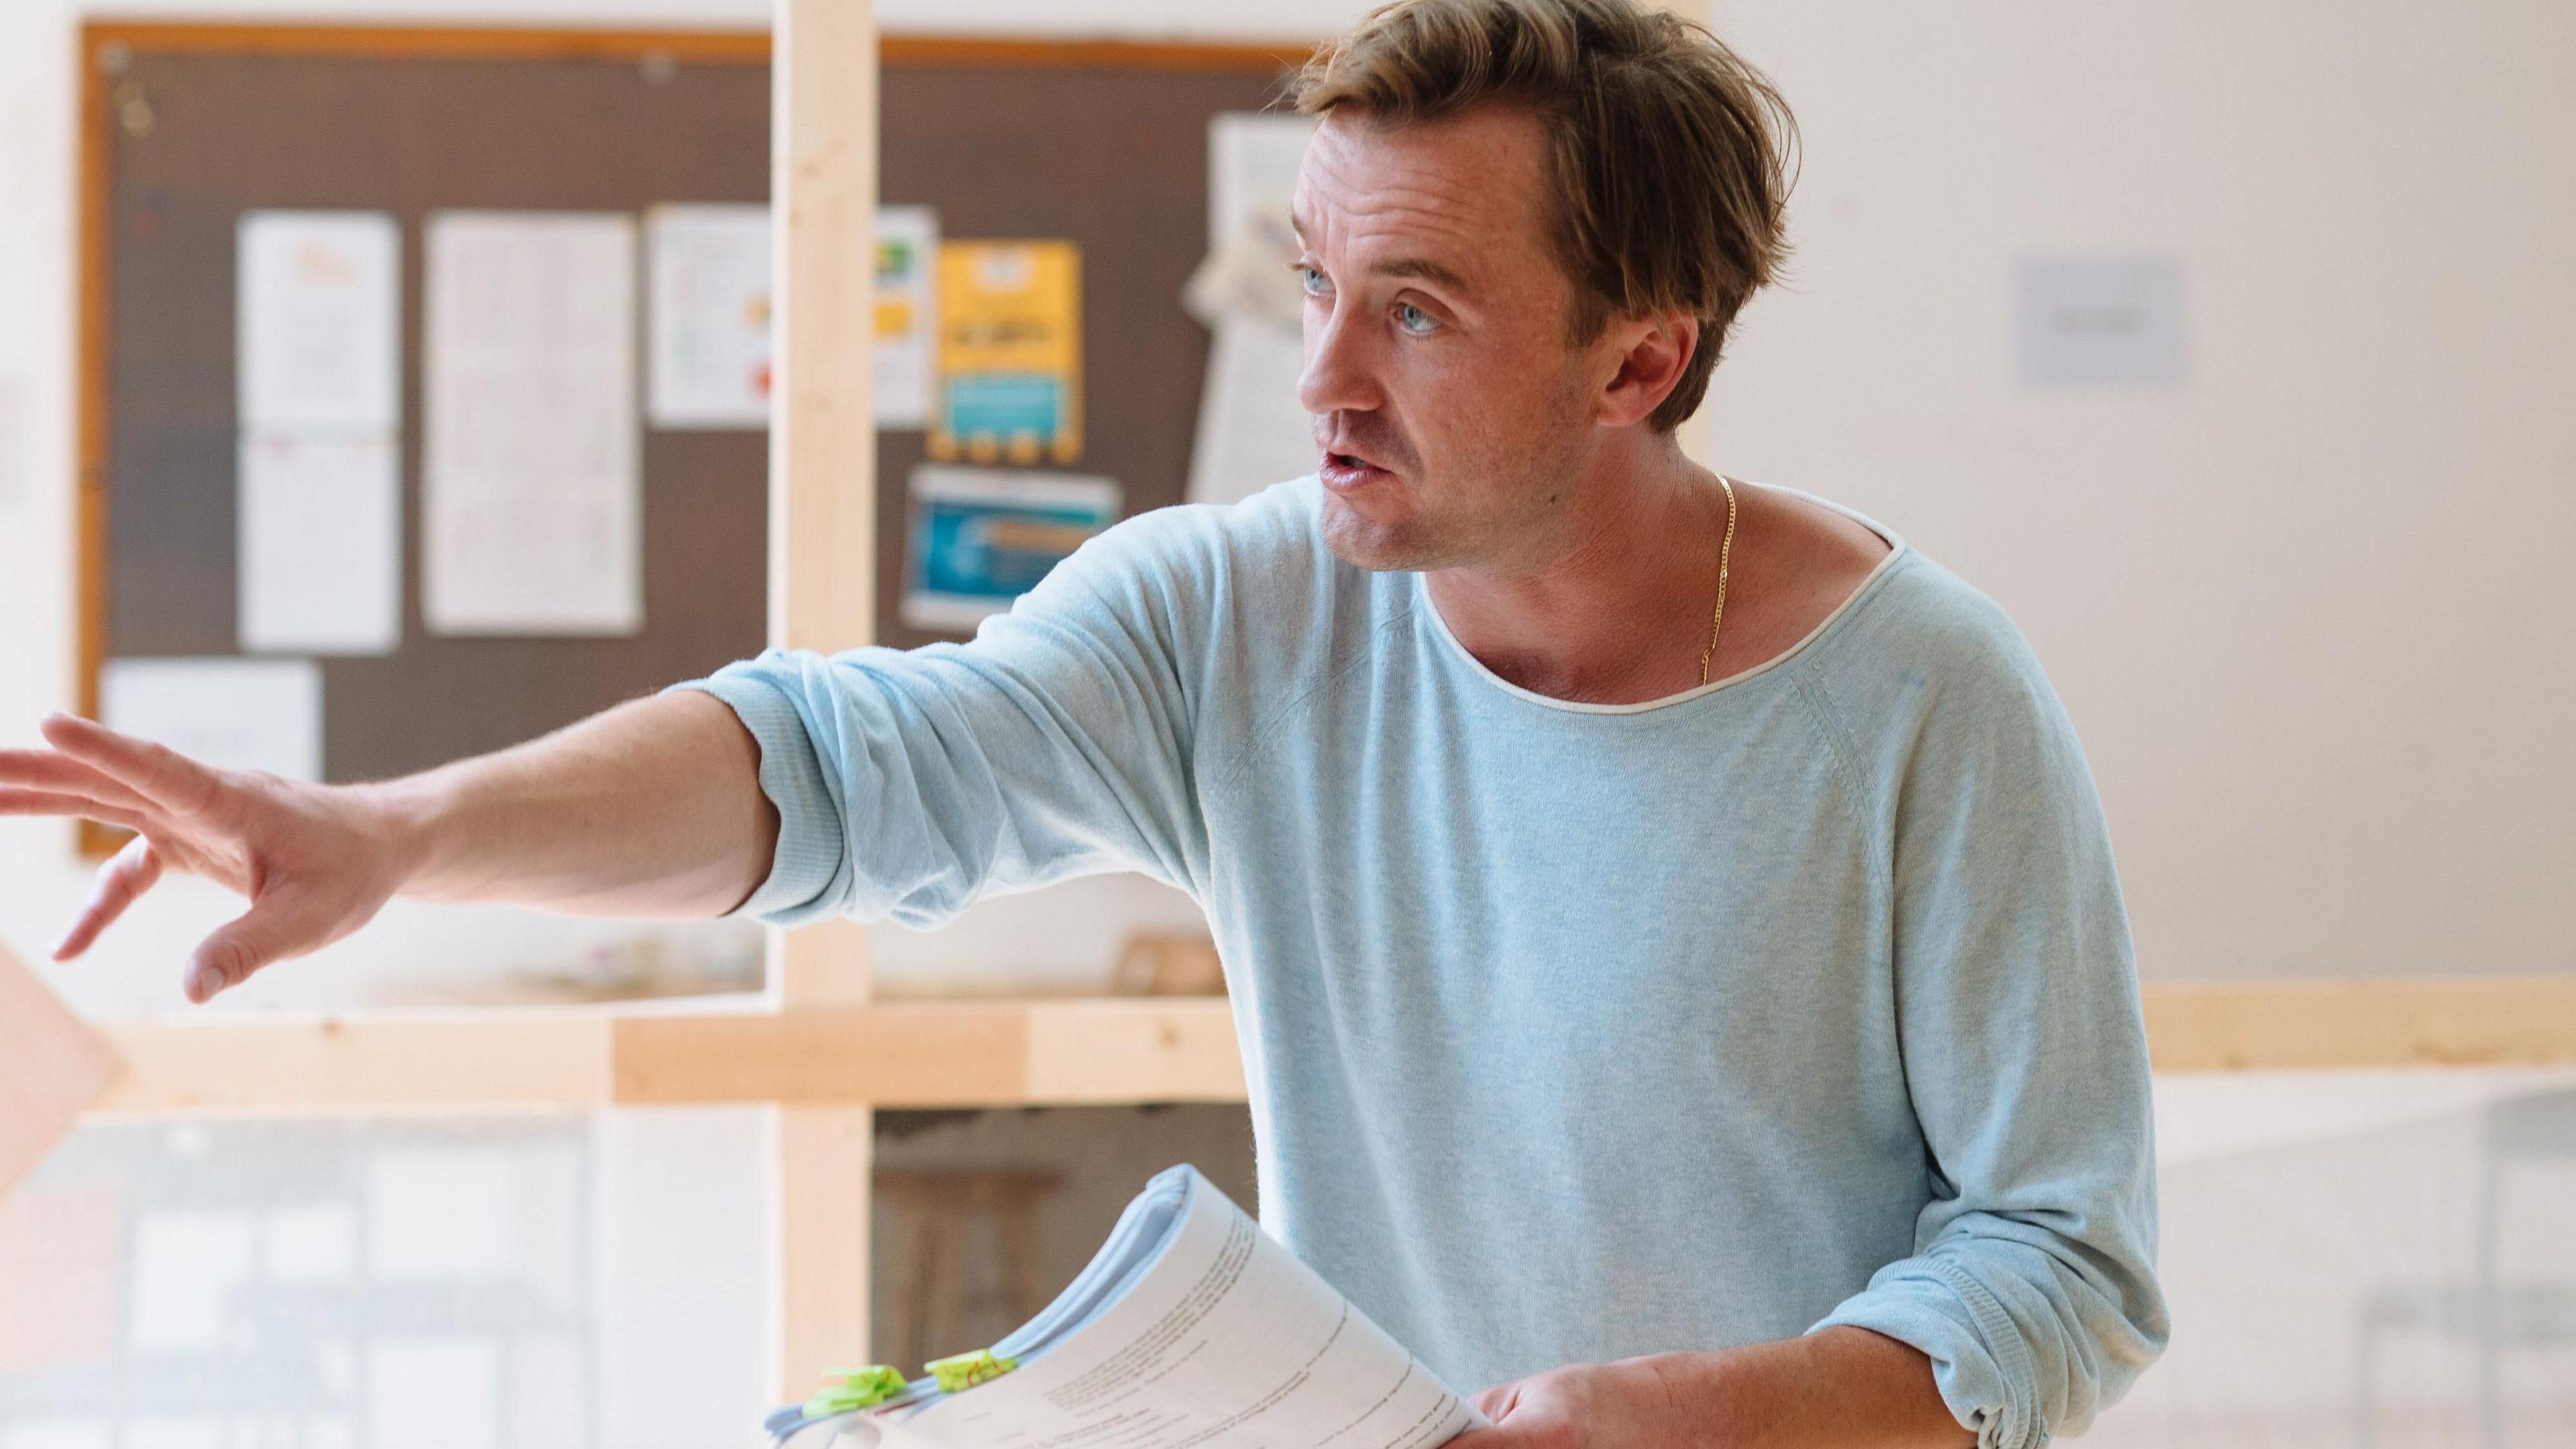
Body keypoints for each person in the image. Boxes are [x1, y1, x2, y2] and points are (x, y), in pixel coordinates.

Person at [1, 1, 2165, 1443]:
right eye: (1314, 280)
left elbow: (2066, 1258)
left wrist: (1708, 1416)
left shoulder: (1926, 698)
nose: (1325, 377)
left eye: (1414, 310)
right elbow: (842, 762)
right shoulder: (1238, 611)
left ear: (1639, 364)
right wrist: (400, 835)